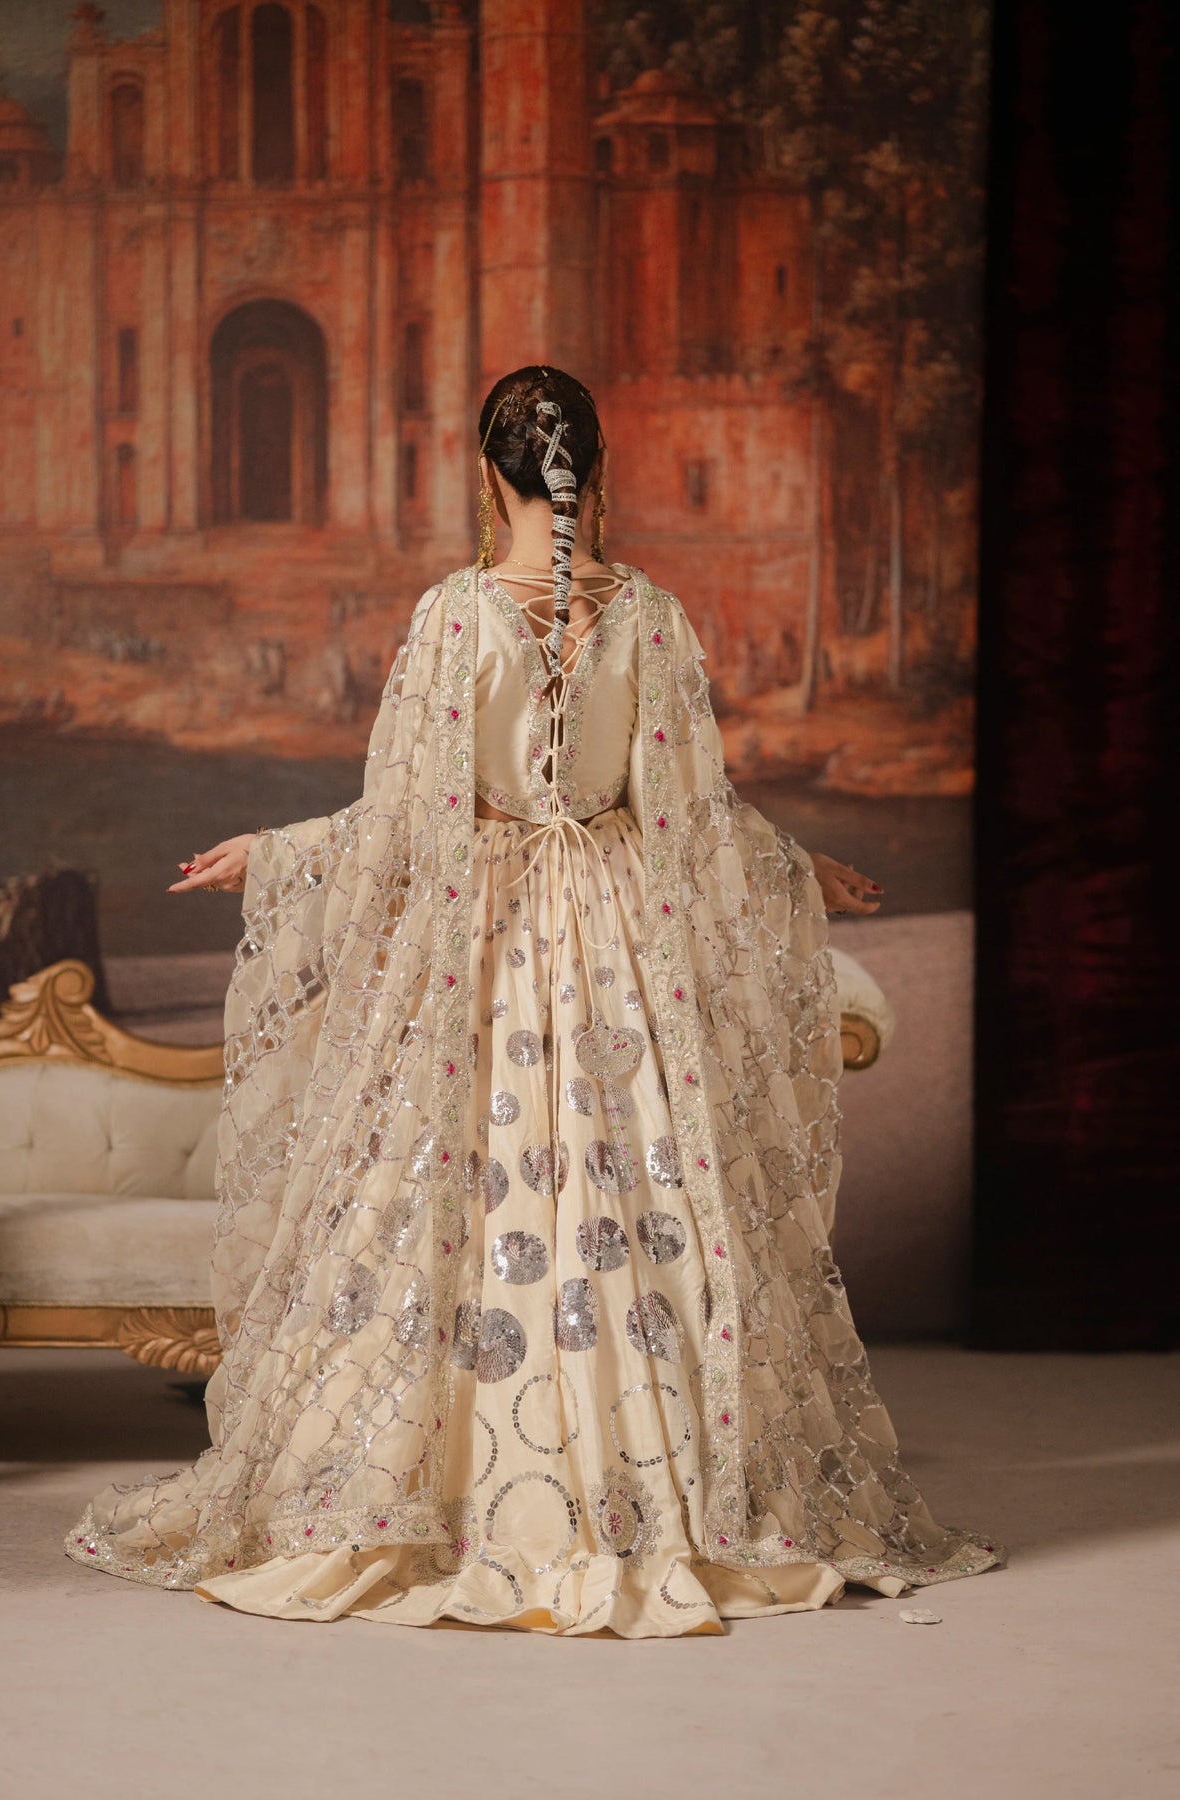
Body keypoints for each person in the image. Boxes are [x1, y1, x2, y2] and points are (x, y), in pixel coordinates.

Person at [66, 366, 1003, 1635]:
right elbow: (690, 818)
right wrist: (798, 868)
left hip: (490, 948)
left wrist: (278, 853)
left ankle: (457, 1488)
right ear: (596, 474)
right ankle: (655, 1488)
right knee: (645, 1194)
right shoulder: (652, 618)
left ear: (485, 475)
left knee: (453, 1196)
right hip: (623, 946)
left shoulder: (454, 616)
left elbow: (408, 820)